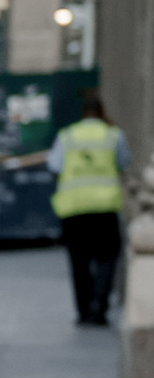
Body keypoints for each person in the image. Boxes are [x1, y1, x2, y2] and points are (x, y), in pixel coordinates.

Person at [49, 91, 132, 324]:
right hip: (104, 208)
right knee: (107, 258)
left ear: (83, 113)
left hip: (74, 209)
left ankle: (83, 311)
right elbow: (125, 162)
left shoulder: (67, 136)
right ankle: (100, 307)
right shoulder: (113, 135)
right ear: (102, 112)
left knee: (79, 261)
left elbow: (54, 165)